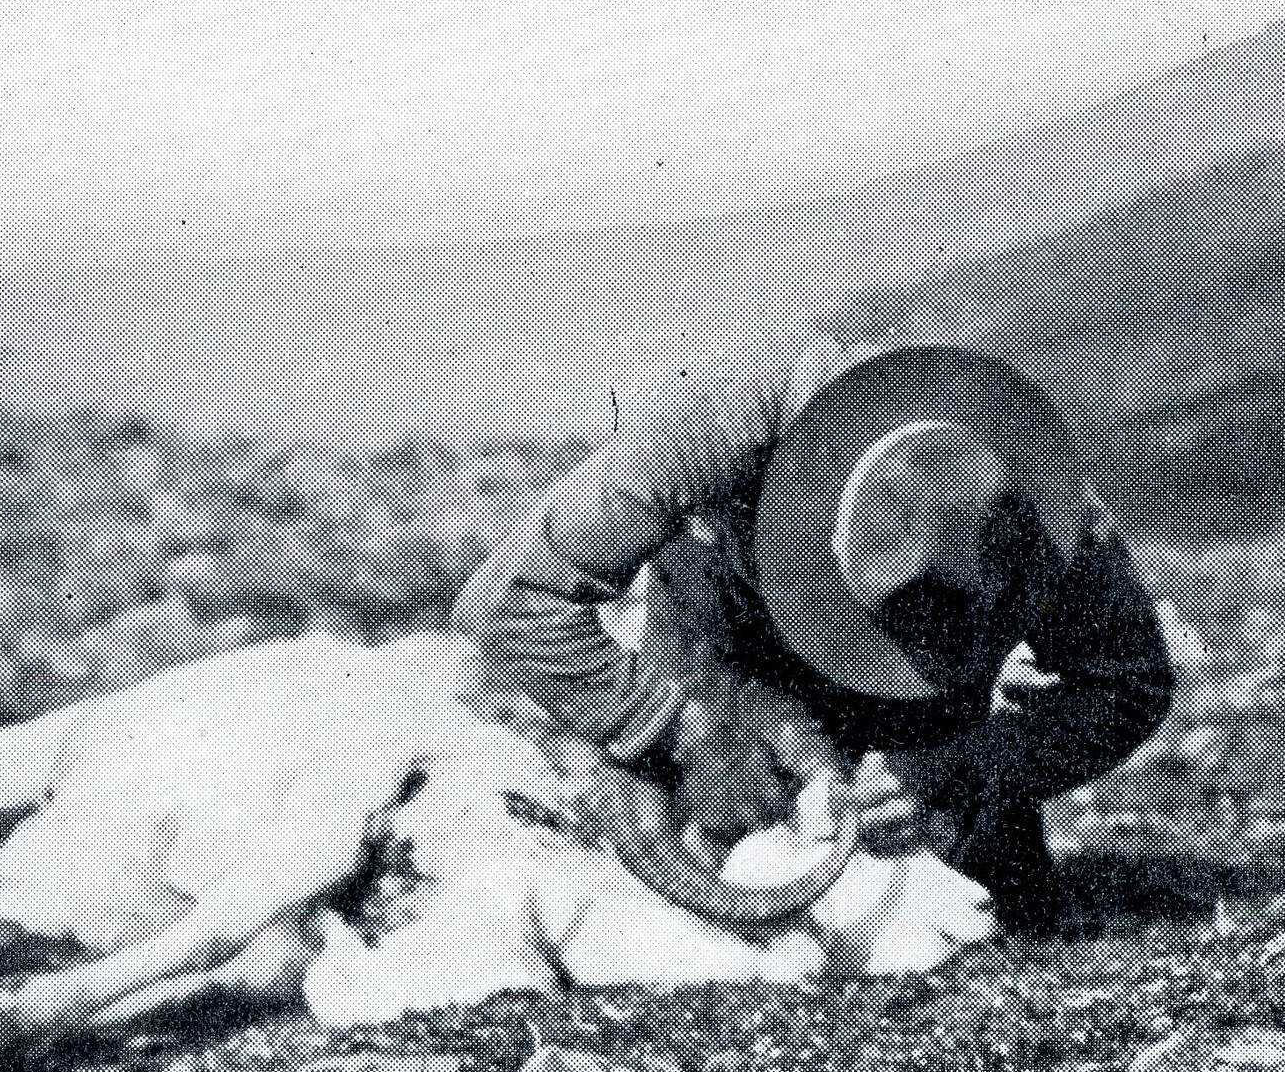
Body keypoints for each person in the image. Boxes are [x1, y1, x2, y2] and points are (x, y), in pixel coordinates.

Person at [452, 337, 1176, 933]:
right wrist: (676, 727)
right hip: (723, 654)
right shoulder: (719, 420)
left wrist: (957, 765)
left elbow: (1130, 680)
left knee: (989, 923)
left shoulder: (1044, 515)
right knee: (715, 918)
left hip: (926, 708)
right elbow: (507, 598)